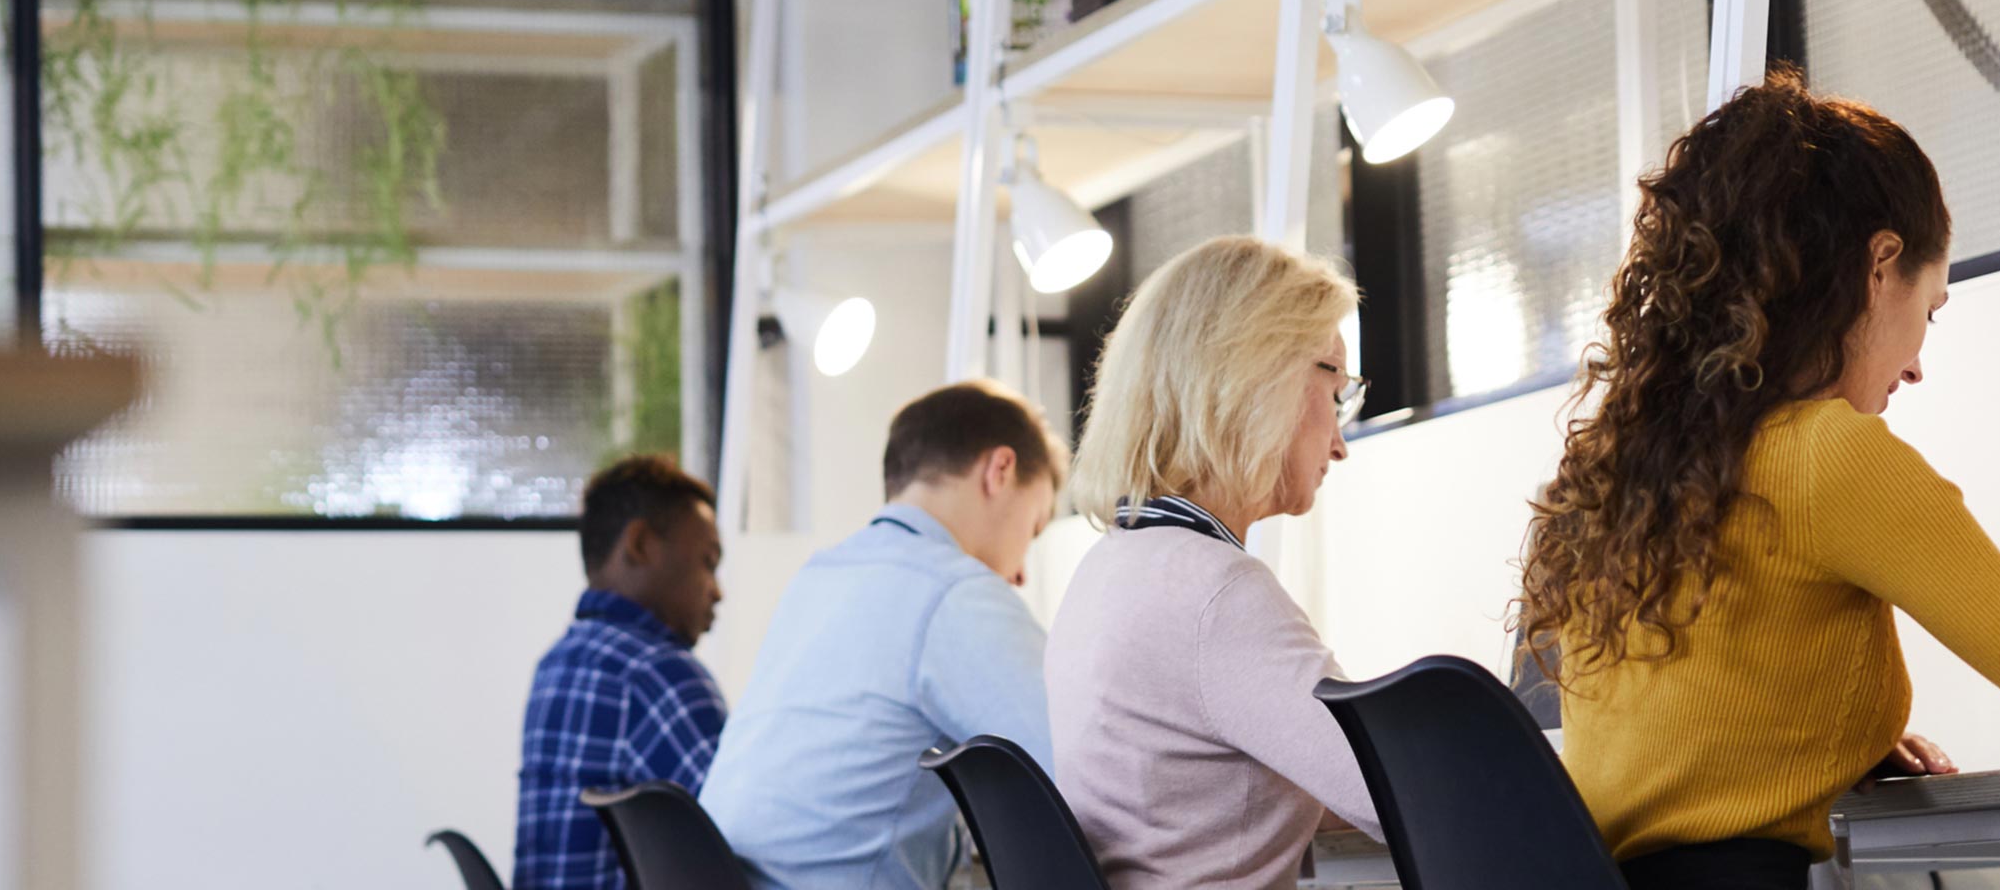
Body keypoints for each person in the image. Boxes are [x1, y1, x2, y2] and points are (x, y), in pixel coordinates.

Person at [1515, 70, 2000, 890]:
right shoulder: (1830, 456)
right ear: (1881, 264)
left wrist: (1833, 742)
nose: (1919, 364)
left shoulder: (1635, 462)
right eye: (1931, 311)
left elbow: (1679, 736)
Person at [1047, 236, 1378, 890]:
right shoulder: (1214, 593)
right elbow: (1399, 791)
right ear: (1262, 376)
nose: (1339, 443)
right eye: (1335, 388)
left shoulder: (1110, 569)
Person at [699, 379, 1069, 890]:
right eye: (1035, 526)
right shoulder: (953, 589)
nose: (1022, 573)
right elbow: (1077, 772)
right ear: (1000, 470)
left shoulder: (819, 577)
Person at [515, 454, 731, 890]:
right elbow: (746, 834)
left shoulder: (555, 663)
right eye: (707, 562)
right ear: (640, 545)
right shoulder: (659, 672)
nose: (718, 591)